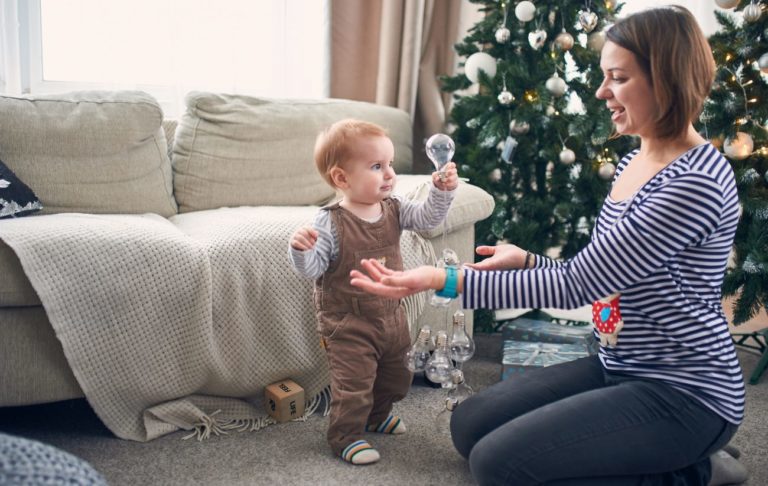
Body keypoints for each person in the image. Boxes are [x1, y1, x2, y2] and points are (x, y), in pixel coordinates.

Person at [350, 6, 750, 485]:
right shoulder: (635, 162)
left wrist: (444, 280)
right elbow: (611, 273)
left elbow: (579, 283)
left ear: (664, 78)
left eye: (617, 78)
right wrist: (529, 261)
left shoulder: (694, 182)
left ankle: (696, 470)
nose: (602, 92)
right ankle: (659, 451)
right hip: (618, 363)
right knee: (469, 426)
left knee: (499, 466)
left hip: (685, 391)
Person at [289, 119, 458, 465]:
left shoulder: (393, 207)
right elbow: (313, 270)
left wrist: (441, 191)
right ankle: (345, 436)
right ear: (341, 178)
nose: (389, 174)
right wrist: (302, 250)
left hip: (391, 316)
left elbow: (428, 218)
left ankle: (377, 414)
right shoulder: (330, 221)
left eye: (391, 164)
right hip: (347, 322)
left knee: (398, 376)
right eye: (377, 167)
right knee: (354, 384)